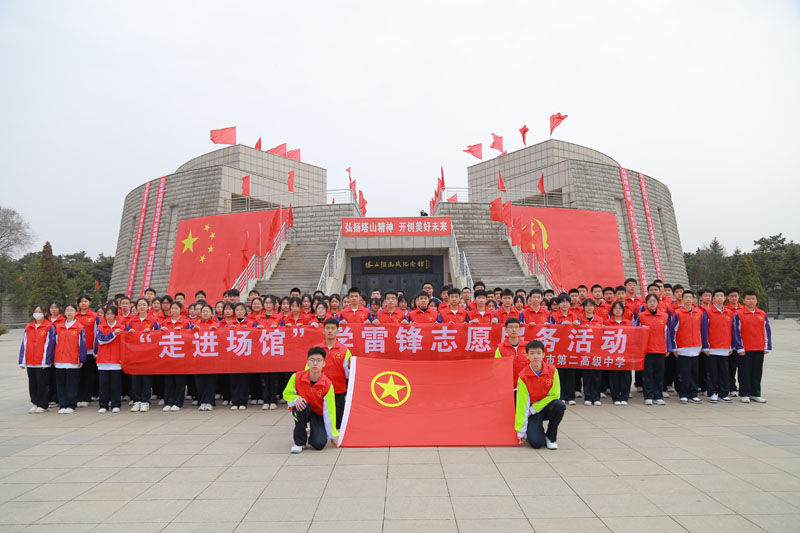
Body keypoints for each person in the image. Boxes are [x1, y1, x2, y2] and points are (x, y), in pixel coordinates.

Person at [515, 340, 564, 450]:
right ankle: (535, 431)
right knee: (536, 443)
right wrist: (520, 431)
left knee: (559, 405)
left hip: (544, 408)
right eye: (532, 353)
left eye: (538, 353)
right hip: (532, 413)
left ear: (543, 355)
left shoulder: (552, 371)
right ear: (527, 356)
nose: (535, 356)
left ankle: (551, 437)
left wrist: (534, 408)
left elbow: (555, 395)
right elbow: (522, 404)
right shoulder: (523, 377)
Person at [732, 290, 772, 404]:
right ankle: (744, 393)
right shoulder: (739, 314)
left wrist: (767, 346)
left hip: (758, 347)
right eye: (748, 299)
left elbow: (767, 331)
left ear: (756, 300)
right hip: (745, 349)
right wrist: (739, 347)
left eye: (753, 298)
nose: (751, 301)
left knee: (757, 372)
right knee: (744, 372)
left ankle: (755, 394)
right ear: (743, 300)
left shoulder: (762, 314)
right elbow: (736, 332)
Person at [668, 290, 704, 404]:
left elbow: (702, 330)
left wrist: (701, 346)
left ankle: (693, 393)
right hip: (682, 348)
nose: (688, 299)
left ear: (694, 299)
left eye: (690, 297)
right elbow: (672, 331)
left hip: (695, 347)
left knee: (694, 372)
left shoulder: (699, 312)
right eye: (686, 297)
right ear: (682, 300)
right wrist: (674, 347)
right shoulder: (678, 313)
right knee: (684, 372)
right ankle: (683, 393)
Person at [315, 318, 351, 428]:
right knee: (320, 420)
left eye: (333, 328)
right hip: (320, 390)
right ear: (323, 331)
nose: (330, 331)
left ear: (337, 331)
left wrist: (350, 366)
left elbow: (349, 373)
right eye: (327, 328)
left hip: (338, 390)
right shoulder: (316, 349)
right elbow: (310, 370)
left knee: (339, 423)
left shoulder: (345, 350)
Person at [19, 304, 56, 413]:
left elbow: (50, 345)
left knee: (42, 383)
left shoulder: (49, 327)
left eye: (40, 312)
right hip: (31, 360)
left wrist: (47, 360)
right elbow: (24, 344)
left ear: (45, 314)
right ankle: (34, 402)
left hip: (42, 361)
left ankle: (43, 404)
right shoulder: (29, 326)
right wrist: (22, 360)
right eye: (35, 312)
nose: (37, 314)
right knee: (33, 383)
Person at [701, 289, 735, 403]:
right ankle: (713, 393)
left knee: (725, 372)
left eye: (722, 296)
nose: (720, 298)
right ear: (713, 299)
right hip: (713, 347)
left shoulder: (729, 312)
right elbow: (704, 330)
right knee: (713, 372)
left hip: (725, 347)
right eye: (717, 296)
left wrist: (731, 346)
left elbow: (732, 330)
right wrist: (705, 346)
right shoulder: (708, 312)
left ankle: (724, 393)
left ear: (725, 298)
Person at [126, 298, 159, 412]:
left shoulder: (153, 320)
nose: (141, 307)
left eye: (144, 305)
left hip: (148, 355)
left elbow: (158, 335)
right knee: (135, 379)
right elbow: (125, 337)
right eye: (139, 305)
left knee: (146, 379)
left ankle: (145, 401)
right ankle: (137, 400)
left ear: (148, 307)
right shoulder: (131, 321)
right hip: (135, 355)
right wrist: (129, 334)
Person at [53, 303, 87, 413]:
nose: (69, 312)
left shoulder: (79, 327)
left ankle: (71, 405)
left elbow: (82, 344)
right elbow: (54, 344)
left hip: (72, 360)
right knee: (60, 383)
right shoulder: (58, 327)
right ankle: (62, 404)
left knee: (71, 383)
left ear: (76, 312)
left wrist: (81, 359)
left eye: (72, 310)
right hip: (59, 359)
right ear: (64, 312)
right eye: (67, 310)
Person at [160, 301, 193, 411]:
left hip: (180, 355)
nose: (174, 310)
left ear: (181, 310)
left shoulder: (185, 322)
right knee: (168, 380)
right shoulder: (165, 323)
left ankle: (178, 402)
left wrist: (183, 331)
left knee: (179, 380)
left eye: (176, 308)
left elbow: (191, 336)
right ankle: (168, 401)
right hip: (168, 354)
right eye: (172, 308)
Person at [637, 294, 669, 405]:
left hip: (660, 349)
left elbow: (667, 333)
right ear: (646, 303)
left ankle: (658, 396)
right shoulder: (641, 316)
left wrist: (668, 348)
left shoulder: (664, 316)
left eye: (654, 301)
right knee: (647, 374)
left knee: (659, 374)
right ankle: (648, 396)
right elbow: (636, 333)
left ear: (657, 303)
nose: (652, 303)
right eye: (649, 301)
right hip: (646, 350)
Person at [604, 301, 635, 405]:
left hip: (626, 353)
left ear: (623, 310)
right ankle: (616, 397)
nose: (617, 310)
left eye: (619, 308)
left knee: (626, 375)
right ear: (612, 310)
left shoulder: (629, 323)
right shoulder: (607, 323)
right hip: (612, 353)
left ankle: (625, 396)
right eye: (615, 308)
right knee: (614, 376)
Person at [95, 305, 124, 413]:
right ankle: (103, 405)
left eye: (112, 313)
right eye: (107, 313)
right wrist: (113, 334)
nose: (109, 316)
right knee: (103, 384)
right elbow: (101, 340)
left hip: (116, 360)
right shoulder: (100, 327)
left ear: (116, 315)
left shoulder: (121, 327)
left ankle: (116, 404)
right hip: (103, 360)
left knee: (115, 384)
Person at [193, 304, 218, 411]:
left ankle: (210, 401)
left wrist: (216, 331)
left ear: (212, 314)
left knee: (210, 381)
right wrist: (193, 331)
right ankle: (202, 401)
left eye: (207, 311)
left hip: (211, 358)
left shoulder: (216, 325)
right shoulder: (195, 325)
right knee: (200, 381)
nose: (205, 313)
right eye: (203, 311)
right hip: (199, 358)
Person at [76, 294, 98, 408]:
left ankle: (86, 397)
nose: (83, 303)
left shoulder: (94, 316)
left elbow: (96, 333)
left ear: (90, 303)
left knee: (88, 375)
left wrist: (95, 350)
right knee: (78, 375)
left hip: (89, 350)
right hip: (77, 351)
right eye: (81, 301)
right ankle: (78, 397)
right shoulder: (74, 316)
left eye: (85, 301)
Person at [494, 318, 527, 393]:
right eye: (511, 327)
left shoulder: (527, 346)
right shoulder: (500, 348)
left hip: (525, 386)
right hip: (508, 387)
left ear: (520, 329)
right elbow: (497, 369)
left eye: (516, 327)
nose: (514, 330)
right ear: (506, 330)